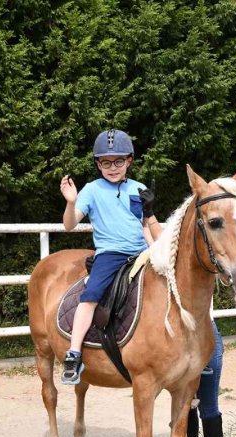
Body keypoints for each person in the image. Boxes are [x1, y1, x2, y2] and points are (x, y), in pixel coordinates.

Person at [60, 129, 158, 384]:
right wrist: (71, 202)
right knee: (91, 296)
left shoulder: (139, 189)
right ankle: (74, 353)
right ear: (98, 164)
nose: (112, 167)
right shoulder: (92, 190)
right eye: (106, 162)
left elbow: (145, 226)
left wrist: (155, 252)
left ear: (129, 161)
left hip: (141, 252)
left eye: (118, 161)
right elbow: (69, 225)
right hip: (110, 253)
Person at [143, 191, 224, 437]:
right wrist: (148, 216)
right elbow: (163, 244)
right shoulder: (174, 256)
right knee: (185, 404)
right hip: (180, 337)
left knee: (208, 404)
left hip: (205, 334)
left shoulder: (207, 262)